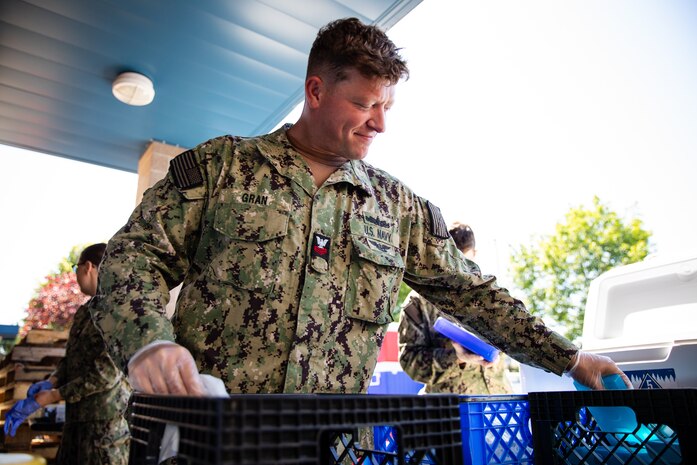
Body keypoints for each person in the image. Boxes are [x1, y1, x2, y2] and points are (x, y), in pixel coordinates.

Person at [89, 17, 629, 397]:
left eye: (387, 106)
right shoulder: (222, 168)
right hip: (212, 439)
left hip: (335, 445)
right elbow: (132, 259)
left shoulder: (397, 208)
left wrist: (572, 359)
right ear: (316, 90)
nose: (380, 123)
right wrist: (148, 344)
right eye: (366, 104)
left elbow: (474, 294)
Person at [4, 243, 131, 465]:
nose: (76, 275)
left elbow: (104, 375)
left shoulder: (117, 311)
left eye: (76, 268)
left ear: (88, 267)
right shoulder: (85, 312)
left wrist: (53, 396)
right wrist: (52, 381)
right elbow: (72, 358)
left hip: (104, 428)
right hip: (75, 421)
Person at [398, 223, 513, 394]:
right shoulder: (418, 303)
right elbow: (410, 361)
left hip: (499, 406)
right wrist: (455, 357)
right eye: (456, 262)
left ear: (475, 255)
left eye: (466, 262)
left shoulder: (490, 296)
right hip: (450, 412)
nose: (461, 271)